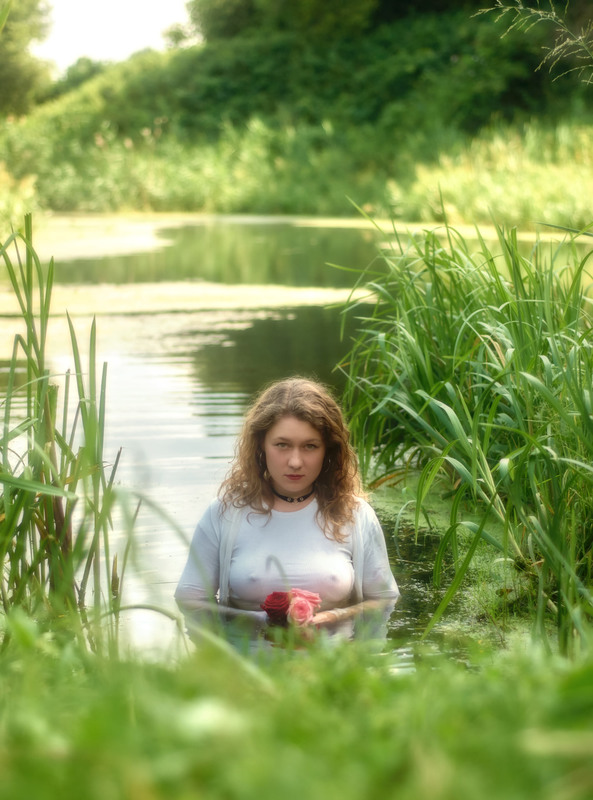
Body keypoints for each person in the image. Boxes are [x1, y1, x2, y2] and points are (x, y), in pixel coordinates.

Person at [175, 377, 399, 643]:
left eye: (310, 446)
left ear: (328, 450)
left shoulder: (354, 514)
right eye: (282, 445)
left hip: (334, 670)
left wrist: (334, 617)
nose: (295, 461)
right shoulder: (225, 514)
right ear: (261, 445)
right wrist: (258, 621)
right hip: (245, 671)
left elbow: (383, 600)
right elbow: (190, 601)